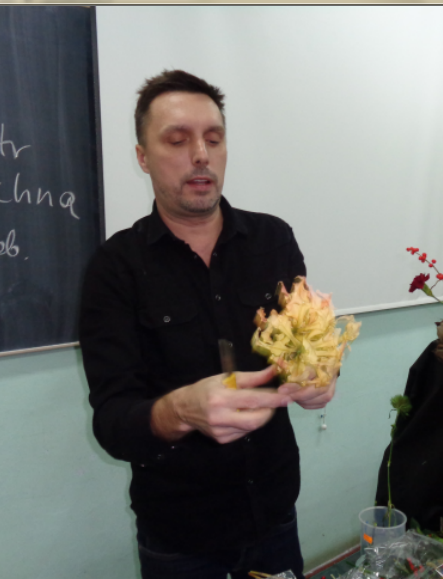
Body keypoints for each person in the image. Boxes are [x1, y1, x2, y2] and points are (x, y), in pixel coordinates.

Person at [79, 69, 335, 579]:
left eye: (213, 140)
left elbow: (306, 345)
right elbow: (111, 422)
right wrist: (178, 410)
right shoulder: (114, 267)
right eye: (178, 140)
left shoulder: (273, 240)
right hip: (180, 535)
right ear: (143, 157)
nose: (201, 155)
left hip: (275, 515)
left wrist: (319, 375)